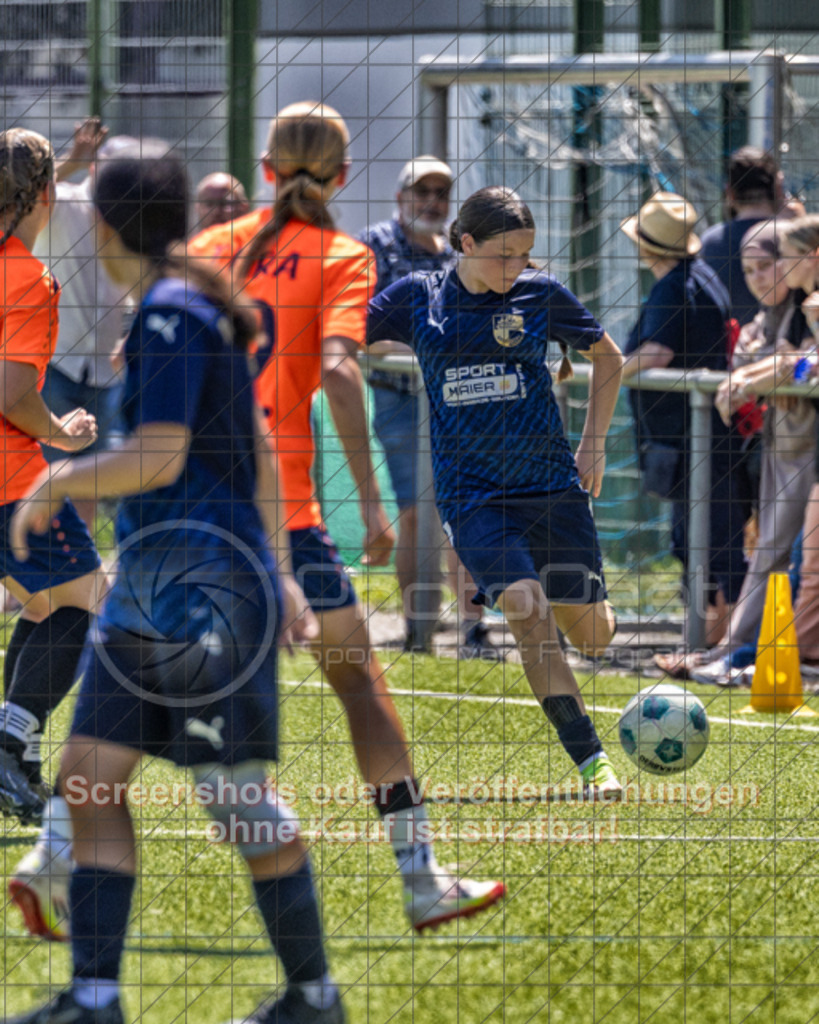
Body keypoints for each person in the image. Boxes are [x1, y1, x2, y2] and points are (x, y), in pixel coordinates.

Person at [5, 140, 345, 1024]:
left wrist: (58, 481)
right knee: (88, 779)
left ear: (103, 224)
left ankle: (313, 997)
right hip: (157, 593)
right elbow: (259, 448)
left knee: (234, 800)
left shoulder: (170, 315)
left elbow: (160, 455)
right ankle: (94, 998)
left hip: (203, 594)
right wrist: (283, 570)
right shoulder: (179, 305)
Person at [188, 102, 505, 932]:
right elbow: (337, 370)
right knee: (357, 681)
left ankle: (57, 852)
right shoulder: (341, 256)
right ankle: (420, 877)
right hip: (284, 512)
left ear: (265, 170)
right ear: (343, 175)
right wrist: (368, 498)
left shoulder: (205, 249)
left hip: (192, 510)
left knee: (146, 681)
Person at [367, 185, 625, 797]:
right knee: (526, 609)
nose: (516, 267)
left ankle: (589, 611)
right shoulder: (418, 296)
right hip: (473, 495)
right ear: (465, 243)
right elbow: (335, 328)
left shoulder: (540, 295)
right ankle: (592, 761)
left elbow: (609, 357)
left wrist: (593, 443)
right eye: (504, 255)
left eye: (525, 255)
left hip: (551, 486)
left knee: (593, 638)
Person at [358, 156, 501, 658]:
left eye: (442, 192)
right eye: (422, 191)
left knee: (465, 510)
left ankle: (472, 628)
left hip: (460, 400)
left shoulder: (459, 252)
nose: (433, 201)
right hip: (400, 398)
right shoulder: (374, 246)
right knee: (417, 514)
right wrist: (432, 352)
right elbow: (361, 329)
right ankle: (418, 631)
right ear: (401, 197)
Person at [0, 127, 101, 833]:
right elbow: (10, 394)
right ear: (48, 195)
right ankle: (8, 746)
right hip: (11, 481)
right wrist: (61, 432)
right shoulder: (26, 278)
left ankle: (23, 756)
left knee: (41, 607)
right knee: (83, 603)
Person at [620, 191, 748, 649]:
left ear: (646, 247)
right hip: (698, 438)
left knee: (711, 545)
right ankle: (711, 645)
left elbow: (658, 352)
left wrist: (607, 371)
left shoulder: (673, 286)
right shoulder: (701, 276)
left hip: (694, 440)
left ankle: (723, 648)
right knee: (706, 544)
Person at [692, 220, 816, 685]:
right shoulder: (788, 311)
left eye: (775, 261)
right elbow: (790, 360)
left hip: (804, 452)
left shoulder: (808, 304)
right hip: (789, 449)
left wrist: (755, 376)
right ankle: (746, 655)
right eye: (750, 269)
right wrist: (757, 371)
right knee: (786, 558)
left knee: (794, 562)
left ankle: (748, 657)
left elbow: (805, 363)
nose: (765, 275)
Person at [34, 118, 135, 532]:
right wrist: (73, 160)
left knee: (89, 478)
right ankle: (35, 560)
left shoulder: (132, 217)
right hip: (58, 364)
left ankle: (79, 557)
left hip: (106, 372)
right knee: (45, 472)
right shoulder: (64, 202)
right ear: (96, 168)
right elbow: (24, 195)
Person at [775, 215, 819, 664]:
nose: (781, 265)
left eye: (787, 256)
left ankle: (792, 658)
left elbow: (807, 369)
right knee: (809, 565)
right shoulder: (803, 305)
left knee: (811, 568)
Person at [701, 146, 785, 327]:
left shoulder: (709, 243)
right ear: (778, 189)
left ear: (730, 193)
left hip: (728, 343)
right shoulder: (790, 238)